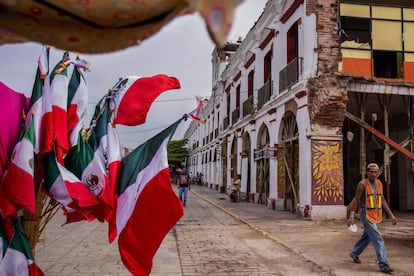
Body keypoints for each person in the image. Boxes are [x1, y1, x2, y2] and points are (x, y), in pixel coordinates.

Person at [347, 163, 397, 274]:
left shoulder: (379, 184)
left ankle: (354, 253)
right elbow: (356, 200)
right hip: (366, 215)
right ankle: (383, 264)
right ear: (367, 172)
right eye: (371, 171)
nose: (374, 174)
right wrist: (352, 216)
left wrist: (391, 215)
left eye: (376, 171)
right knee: (378, 238)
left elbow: (382, 200)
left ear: (378, 172)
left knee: (367, 236)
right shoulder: (362, 185)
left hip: (375, 214)